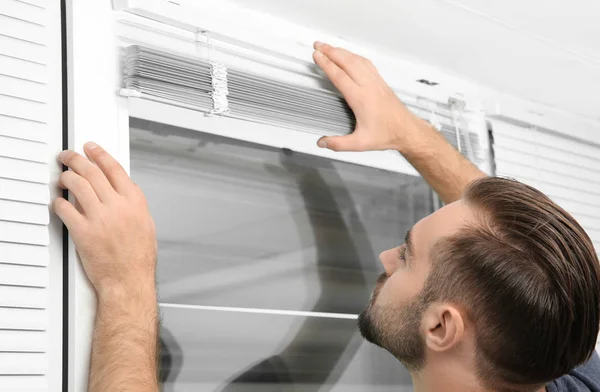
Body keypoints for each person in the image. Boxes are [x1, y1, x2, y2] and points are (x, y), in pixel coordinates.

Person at [53, 42, 600, 392]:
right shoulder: (553, 362)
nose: (386, 255)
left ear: (441, 326)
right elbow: (513, 259)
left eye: (407, 256)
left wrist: (126, 284)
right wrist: (409, 135)